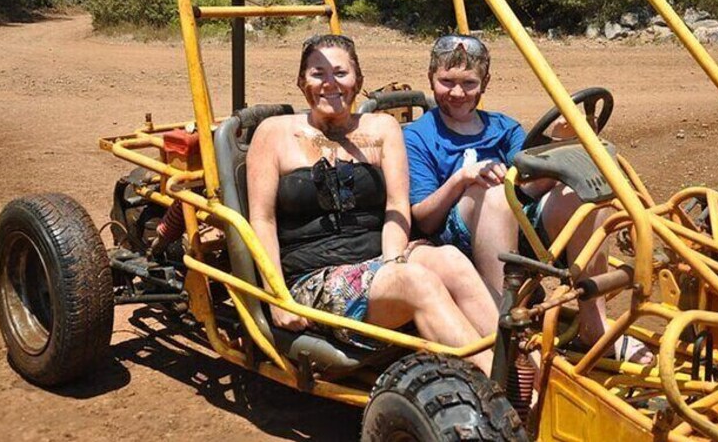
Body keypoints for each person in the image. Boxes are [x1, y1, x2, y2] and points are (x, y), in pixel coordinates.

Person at [246, 34, 497, 373]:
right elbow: (262, 220)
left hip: (378, 259)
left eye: (340, 73)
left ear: (358, 81)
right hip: (314, 275)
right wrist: (276, 295)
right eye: (318, 73)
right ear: (301, 81)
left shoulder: (382, 128)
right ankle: (500, 387)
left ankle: (522, 364)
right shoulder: (274, 133)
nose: (330, 83)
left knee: (449, 259)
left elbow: (397, 205)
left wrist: (392, 261)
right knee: (417, 282)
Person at [404, 34, 652, 364]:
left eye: (468, 83)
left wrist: (563, 143)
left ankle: (594, 326)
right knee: (493, 193)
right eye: (446, 82)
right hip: (454, 238)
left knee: (581, 194)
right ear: (431, 79)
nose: (457, 93)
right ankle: (501, 321)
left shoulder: (503, 127)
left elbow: (530, 186)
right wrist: (462, 179)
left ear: (485, 83)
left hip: (515, 222)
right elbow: (424, 219)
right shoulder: (418, 135)